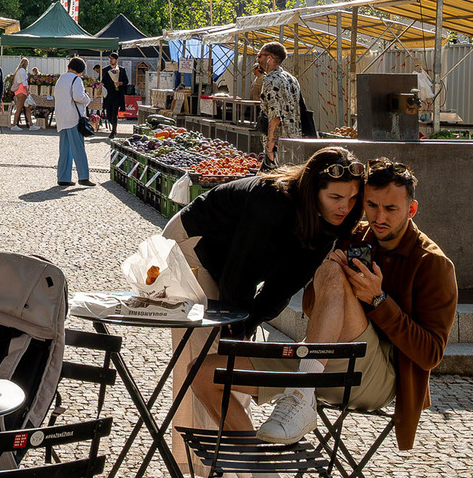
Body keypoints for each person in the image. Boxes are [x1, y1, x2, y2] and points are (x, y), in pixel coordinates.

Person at [193, 158, 458, 452]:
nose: (379, 217)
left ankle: (301, 392)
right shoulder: (355, 235)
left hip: (377, 376)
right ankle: (259, 470)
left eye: (391, 209)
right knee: (202, 372)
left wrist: (378, 301)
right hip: (321, 356)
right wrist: (327, 270)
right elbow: (309, 307)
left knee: (332, 274)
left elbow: (431, 354)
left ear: (412, 209)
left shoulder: (433, 264)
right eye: (371, 206)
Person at [164, 146, 365, 467]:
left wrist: (251, 321)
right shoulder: (272, 200)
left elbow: (284, 286)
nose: (345, 207)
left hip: (230, 267)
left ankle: (235, 463)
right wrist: (238, 324)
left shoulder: (329, 224)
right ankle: (198, 468)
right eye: (336, 197)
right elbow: (239, 271)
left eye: (352, 199)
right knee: (203, 354)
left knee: (231, 361)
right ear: (313, 191)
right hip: (192, 250)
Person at [256, 42, 301, 167]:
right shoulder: (291, 79)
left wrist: (270, 148)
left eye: (260, 55)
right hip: (295, 141)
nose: (258, 59)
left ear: (269, 58)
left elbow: (275, 117)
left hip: (279, 146)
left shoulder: (270, 81)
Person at [53, 57, 94, 187]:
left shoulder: (61, 79)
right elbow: (78, 97)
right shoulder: (76, 79)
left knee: (64, 149)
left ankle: (63, 177)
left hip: (61, 117)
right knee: (78, 148)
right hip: (73, 117)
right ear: (80, 69)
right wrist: (87, 99)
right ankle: (83, 176)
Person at [101, 52, 127, 138]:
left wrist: (120, 83)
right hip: (108, 95)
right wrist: (101, 84)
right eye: (110, 58)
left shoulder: (122, 70)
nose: (111, 60)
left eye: (112, 58)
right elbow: (102, 80)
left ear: (117, 60)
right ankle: (114, 128)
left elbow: (126, 81)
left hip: (117, 95)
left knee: (114, 114)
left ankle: (113, 131)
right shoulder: (105, 69)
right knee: (108, 115)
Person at [10, 58, 36, 130]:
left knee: (26, 108)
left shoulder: (19, 71)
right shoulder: (22, 71)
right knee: (20, 107)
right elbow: (23, 82)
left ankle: (31, 124)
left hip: (21, 91)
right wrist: (27, 91)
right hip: (22, 91)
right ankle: (14, 124)